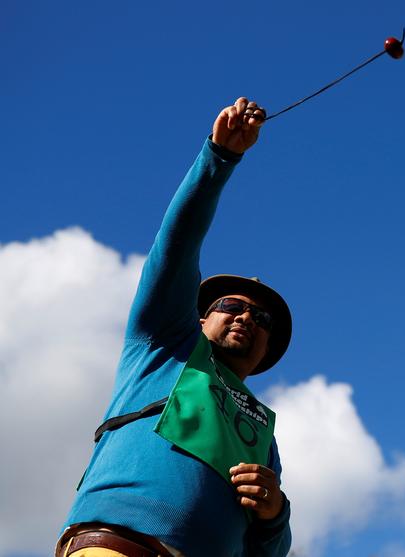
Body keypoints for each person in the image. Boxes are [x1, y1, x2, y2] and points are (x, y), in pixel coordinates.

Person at [56, 98, 292, 556]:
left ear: (266, 352)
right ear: (201, 317)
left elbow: (269, 551)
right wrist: (219, 159)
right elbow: (177, 245)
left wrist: (274, 513)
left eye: (261, 319)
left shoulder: (261, 432)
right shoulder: (163, 344)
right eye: (232, 305)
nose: (247, 316)